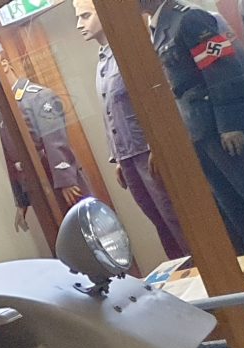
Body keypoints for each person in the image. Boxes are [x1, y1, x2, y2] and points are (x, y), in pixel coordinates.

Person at [145, 0, 244, 262]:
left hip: (228, 130)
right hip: (202, 133)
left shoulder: (189, 19)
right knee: (238, 212)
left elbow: (222, 69)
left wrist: (230, 124)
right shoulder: (159, 27)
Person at [75, 0, 192, 259]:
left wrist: (157, 143)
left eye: (85, 16)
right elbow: (111, 111)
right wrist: (117, 157)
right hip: (128, 156)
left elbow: (158, 96)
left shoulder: (131, 49)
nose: (79, 25)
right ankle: (187, 272)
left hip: (147, 152)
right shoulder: (103, 61)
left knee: (177, 218)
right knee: (160, 224)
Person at [0, 50, 93, 233]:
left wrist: (66, 181)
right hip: (37, 188)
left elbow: (55, 140)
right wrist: (21, 200)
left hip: (57, 182)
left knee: (85, 234)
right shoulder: (5, 110)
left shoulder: (38, 97)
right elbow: (12, 160)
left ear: (4, 64)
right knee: (60, 240)